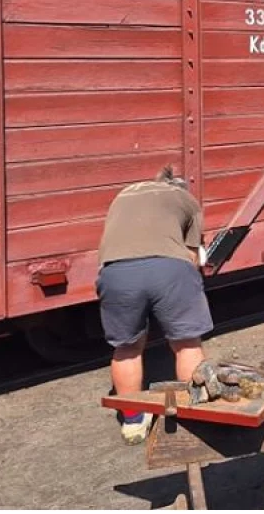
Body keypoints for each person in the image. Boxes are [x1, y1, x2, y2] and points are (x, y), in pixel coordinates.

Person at [95, 166, 211, 445]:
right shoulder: (187, 201)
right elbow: (193, 256)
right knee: (187, 344)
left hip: (116, 273)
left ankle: (133, 421)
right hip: (169, 269)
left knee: (127, 348)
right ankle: (195, 413)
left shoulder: (124, 195)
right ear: (180, 188)